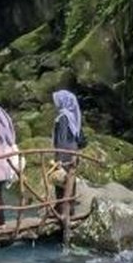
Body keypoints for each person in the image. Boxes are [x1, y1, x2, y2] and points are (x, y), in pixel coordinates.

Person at [51, 90, 87, 218]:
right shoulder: (73, 116)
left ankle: (62, 209)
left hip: (64, 152)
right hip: (73, 151)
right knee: (70, 180)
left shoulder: (63, 118)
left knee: (60, 180)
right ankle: (69, 209)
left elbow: (61, 139)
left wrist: (58, 159)